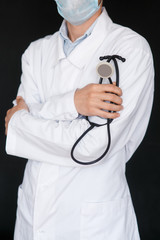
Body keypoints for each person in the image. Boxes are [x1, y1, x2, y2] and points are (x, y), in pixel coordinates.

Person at [5, 0, 154, 239]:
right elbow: (15, 128)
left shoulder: (130, 48)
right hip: (33, 216)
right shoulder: (36, 52)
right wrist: (74, 102)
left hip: (94, 223)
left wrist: (26, 120)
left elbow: (92, 146)